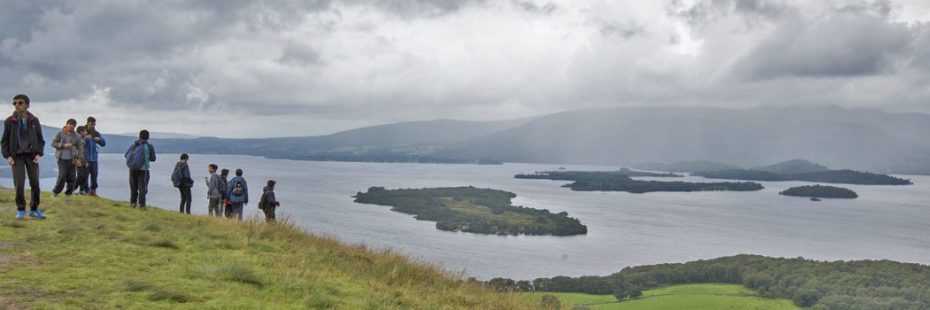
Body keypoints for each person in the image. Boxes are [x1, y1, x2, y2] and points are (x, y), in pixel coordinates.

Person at [1, 94, 46, 220]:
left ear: (27, 105)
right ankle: (21, 209)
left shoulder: (34, 120)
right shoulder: (9, 121)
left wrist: (39, 153)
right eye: (14, 103)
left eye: (20, 103)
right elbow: (4, 141)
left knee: (35, 184)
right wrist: (7, 156)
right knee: (19, 184)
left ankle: (34, 209)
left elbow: (41, 140)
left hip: (32, 156)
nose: (17, 105)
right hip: (16, 157)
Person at [51, 119, 85, 197]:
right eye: (70, 124)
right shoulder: (60, 133)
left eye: (73, 125)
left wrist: (79, 159)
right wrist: (63, 145)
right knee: (62, 176)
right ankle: (56, 192)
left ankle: (68, 194)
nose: (72, 126)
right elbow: (53, 143)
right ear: (66, 124)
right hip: (61, 159)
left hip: (72, 159)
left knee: (72, 177)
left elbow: (81, 148)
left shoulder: (77, 136)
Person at [125, 130, 156, 209]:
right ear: (148, 137)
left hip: (132, 169)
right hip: (143, 170)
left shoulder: (134, 145)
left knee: (133, 187)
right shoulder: (149, 146)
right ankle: (141, 205)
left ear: (139, 136)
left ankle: (133, 203)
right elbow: (153, 158)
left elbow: (126, 155)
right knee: (142, 188)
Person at [82, 116, 106, 196]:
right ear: (87, 123)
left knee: (94, 175)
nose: (93, 126)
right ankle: (86, 191)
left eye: (94, 124)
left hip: (94, 158)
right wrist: (85, 138)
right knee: (85, 175)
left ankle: (93, 191)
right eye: (91, 124)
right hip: (85, 158)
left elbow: (103, 143)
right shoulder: (83, 131)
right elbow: (77, 142)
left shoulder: (96, 133)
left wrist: (99, 140)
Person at [75, 125, 89, 195]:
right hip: (78, 161)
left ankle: (81, 190)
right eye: (85, 131)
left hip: (83, 161)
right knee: (80, 175)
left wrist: (86, 161)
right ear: (81, 132)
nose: (86, 132)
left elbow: (84, 151)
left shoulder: (83, 140)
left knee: (84, 176)